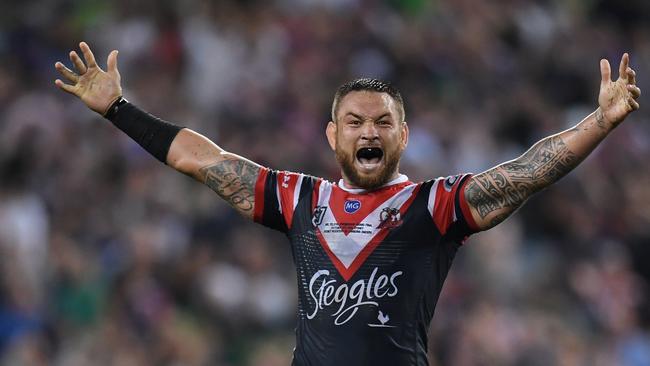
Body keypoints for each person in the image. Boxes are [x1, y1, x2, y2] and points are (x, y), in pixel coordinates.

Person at [54, 42, 641, 365]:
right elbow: (200, 160)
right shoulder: (297, 198)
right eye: (355, 121)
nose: (370, 131)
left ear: (403, 136)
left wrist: (600, 122)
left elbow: (522, 175)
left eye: (384, 122)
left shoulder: (431, 205)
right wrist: (118, 109)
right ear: (331, 137)